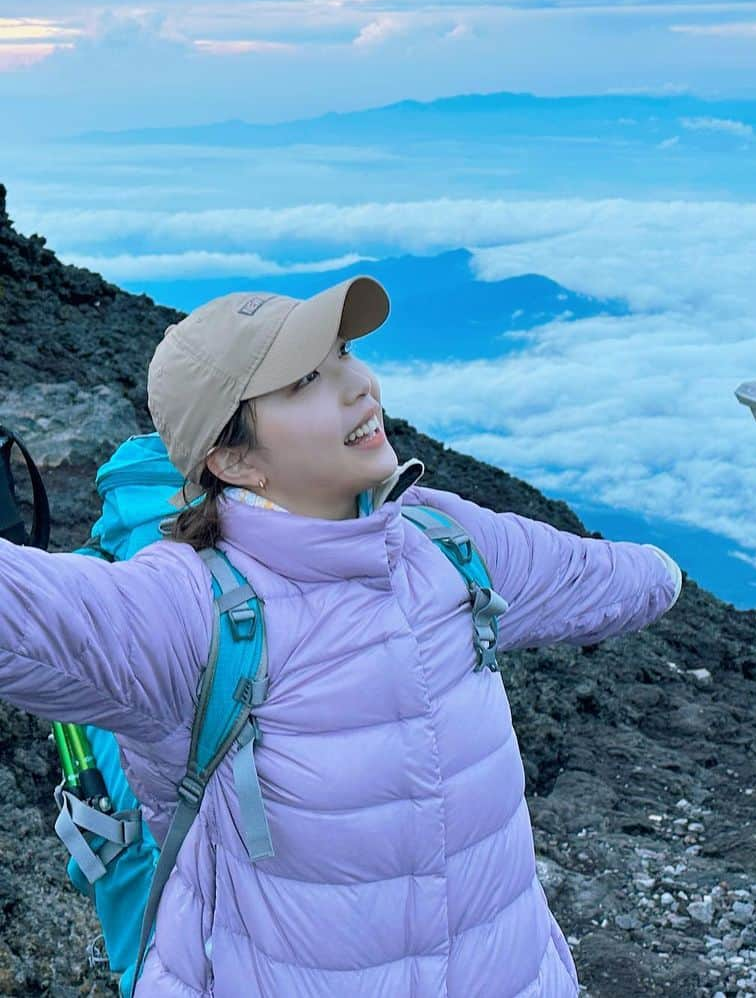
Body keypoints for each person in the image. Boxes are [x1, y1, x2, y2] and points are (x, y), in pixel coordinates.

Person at [0, 274, 683, 996]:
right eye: (304, 382)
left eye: (346, 355)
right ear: (233, 460)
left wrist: (664, 577)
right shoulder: (187, 611)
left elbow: (603, 578)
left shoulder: (445, 542)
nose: (360, 385)